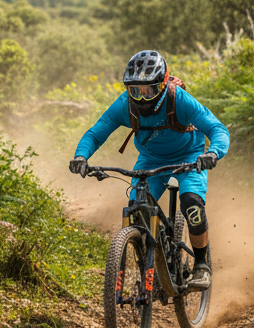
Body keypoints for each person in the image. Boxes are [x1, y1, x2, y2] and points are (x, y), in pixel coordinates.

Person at [69, 49, 230, 289]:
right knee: (137, 211)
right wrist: (81, 157)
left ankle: (201, 265)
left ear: (163, 85)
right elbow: (96, 133)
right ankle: (150, 263)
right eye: (135, 91)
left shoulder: (179, 99)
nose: (142, 99)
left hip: (189, 158)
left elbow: (218, 129)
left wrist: (212, 153)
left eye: (149, 91)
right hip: (151, 160)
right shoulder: (125, 105)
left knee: (192, 204)